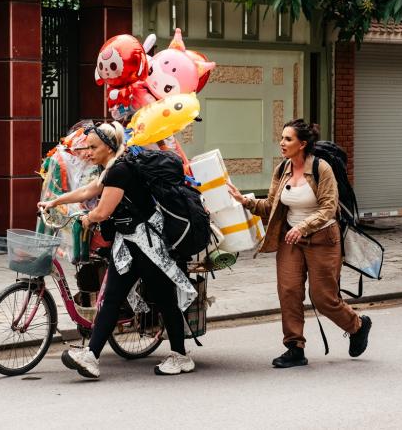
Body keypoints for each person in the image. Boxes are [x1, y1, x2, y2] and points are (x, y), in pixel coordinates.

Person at [38, 121, 197, 379]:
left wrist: (88, 219)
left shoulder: (120, 170)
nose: (88, 152)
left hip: (148, 244)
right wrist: (56, 200)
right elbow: (90, 190)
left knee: (164, 297)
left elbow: (103, 211)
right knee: (112, 297)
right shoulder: (113, 168)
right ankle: (91, 356)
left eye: (93, 147)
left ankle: (181, 356)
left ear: (109, 147)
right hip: (130, 243)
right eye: (86, 147)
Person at [227, 119, 372, 368]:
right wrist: (245, 201)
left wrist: (303, 227)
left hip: (323, 239)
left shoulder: (321, 168)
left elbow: (329, 208)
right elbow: (272, 206)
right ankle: (295, 347)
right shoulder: (282, 169)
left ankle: (357, 326)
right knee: (289, 292)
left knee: (323, 297)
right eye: (282, 138)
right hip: (290, 240)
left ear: (302, 144)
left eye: (288, 139)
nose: (282, 143)